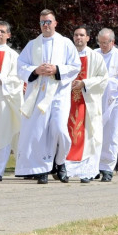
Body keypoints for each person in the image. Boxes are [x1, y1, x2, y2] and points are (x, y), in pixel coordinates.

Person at [15, 10, 81, 184]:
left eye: (48, 22)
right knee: (40, 132)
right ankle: (42, 169)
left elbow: (75, 66)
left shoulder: (65, 43)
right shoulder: (32, 45)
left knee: (60, 130)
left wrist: (56, 69)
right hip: (38, 95)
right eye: (42, 22)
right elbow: (20, 66)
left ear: (55, 23)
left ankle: (60, 162)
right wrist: (35, 70)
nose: (45, 25)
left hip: (58, 95)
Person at [64, 25, 108, 183]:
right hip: (67, 102)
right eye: (76, 35)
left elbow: (103, 78)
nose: (78, 38)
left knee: (90, 136)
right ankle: (67, 170)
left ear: (88, 38)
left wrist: (85, 83)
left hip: (87, 103)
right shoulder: (66, 56)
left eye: (82, 35)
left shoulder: (95, 57)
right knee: (66, 134)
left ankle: (87, 173)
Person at [0, 21, 24, 181]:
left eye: (3, 31)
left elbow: (18, 79)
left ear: (8, 35)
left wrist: (1, 80)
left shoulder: (13, 56)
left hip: (4, 99)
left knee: (2, 134)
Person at [94, 28, 118, 182]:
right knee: (95, 134)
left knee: (111, 135)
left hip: (116, 100)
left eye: (105, 43)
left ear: (112, 42)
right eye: (100, 43)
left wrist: (107, 83)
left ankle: (107, 167)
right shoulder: (94, 54)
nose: (103, 46)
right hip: (96, 100)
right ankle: (94, 166)